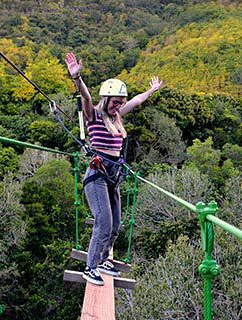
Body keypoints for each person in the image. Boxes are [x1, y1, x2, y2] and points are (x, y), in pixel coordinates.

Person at [65, 52, 164, 285]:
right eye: (115, 102)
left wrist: (151, 91)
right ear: (106, 99)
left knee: (116, 223)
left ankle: (102, 260)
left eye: (120, 103)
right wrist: (77, 79)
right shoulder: (95, 115)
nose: (118, 106)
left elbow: (137, 101)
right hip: (97, 176)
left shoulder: (117, 116)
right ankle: (91, 267)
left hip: (113, 177)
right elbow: (86, 98)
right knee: (104, 222)